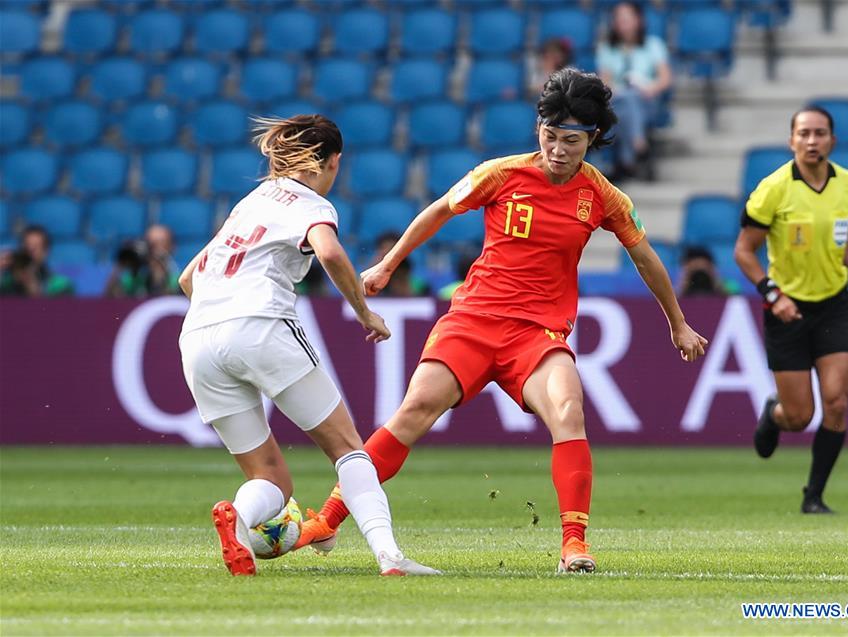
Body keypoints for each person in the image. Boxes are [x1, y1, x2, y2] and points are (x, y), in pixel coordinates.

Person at [300, 69, 708, 573]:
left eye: (571, 140)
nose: (558, 149)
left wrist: (677, 322)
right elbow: (439, 211)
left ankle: (574, 545)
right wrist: (388, 264)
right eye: (550, 136)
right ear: (540, 129)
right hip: (474, 318)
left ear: (593, 139)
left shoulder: (602, 196)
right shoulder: (501, 174)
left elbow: (644, 257)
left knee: (568, 410)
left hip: (537, 334)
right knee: (415, 410)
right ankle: (330, 519)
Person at [177, 114, 438, 577]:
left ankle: (239, 521)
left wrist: (223, 314)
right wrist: (364, 312)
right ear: (333, 162)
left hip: (197, 338)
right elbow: (332, 253)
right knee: (348, 449)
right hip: (261, 325)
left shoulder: (251, 201)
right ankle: (390, 557)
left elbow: (186, 277)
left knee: (270, 478)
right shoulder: (310, 203)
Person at [734, 106, 848, 514]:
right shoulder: (773, 189)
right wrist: (774, 295)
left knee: (838, 402)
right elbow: (744, 251)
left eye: (819, 133)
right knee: (799, 415)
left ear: (832, 141)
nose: (812, 141)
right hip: (786, 310)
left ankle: (814, 496)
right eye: (804, 133)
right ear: (791, 140)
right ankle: (773, 415)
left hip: (833, 305)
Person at [596, 1, 672, 180]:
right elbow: (605, 82)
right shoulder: (607, 48)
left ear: (638, 20)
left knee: (630, 102)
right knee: (626, 100)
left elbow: (665, 79)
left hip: (646, 100)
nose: (623, 23)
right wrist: (618, 90)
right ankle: (639, 146)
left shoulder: (654, 45)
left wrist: (650, 88)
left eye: (627, 18)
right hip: (618, 99)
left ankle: (625, 161)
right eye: (619, 19)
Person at [104, 225, 180, 298]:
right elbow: (110, 300)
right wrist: (122, 263)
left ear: (171, 247)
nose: (153, 249)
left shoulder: (177, 279)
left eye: (159, 243)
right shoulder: (136, 279)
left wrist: (162, 264)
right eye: (150, 244)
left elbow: (171, 302)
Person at [0, 225, 73, 297]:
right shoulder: (6, 282)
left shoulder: (60, 285)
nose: (30, 252)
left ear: (46, 251)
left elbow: (60, 307)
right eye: (26, 247)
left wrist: (32, 286)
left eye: (35, 248)